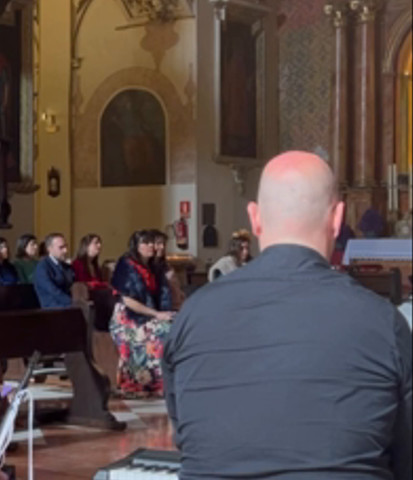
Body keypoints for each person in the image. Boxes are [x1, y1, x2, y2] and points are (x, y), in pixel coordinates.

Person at [164, 151, 412, 479]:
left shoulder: (191, 316)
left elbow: (187, 438)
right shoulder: (383, 322)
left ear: (254, 218)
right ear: (338, 220)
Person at [109, 230, 174, 397]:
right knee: (162, 331)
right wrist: (156, 315)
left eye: (152, 242)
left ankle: (168, 382)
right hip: (128, 317)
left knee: (175, 326)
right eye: (146, 243)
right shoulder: (126, 265)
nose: (151, 246)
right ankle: (145, 384)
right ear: (137, 246)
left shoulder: (153, 266)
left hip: (148, 314)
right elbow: (128, 300)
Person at [33, 233, 75, 309]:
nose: (65, 250)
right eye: (61, 247)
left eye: (66, 246)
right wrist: (71, 302)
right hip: (53, 309)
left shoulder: (66, 266)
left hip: (68, 306)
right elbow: (52, 290)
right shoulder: (43, 267)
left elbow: (72, 284)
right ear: (49, 249)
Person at [150, 229, 184, 309]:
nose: (162, 247)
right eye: (158, 243)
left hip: (177, 306)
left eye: (164, 244)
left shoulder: (167, 267)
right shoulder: (146, 268)